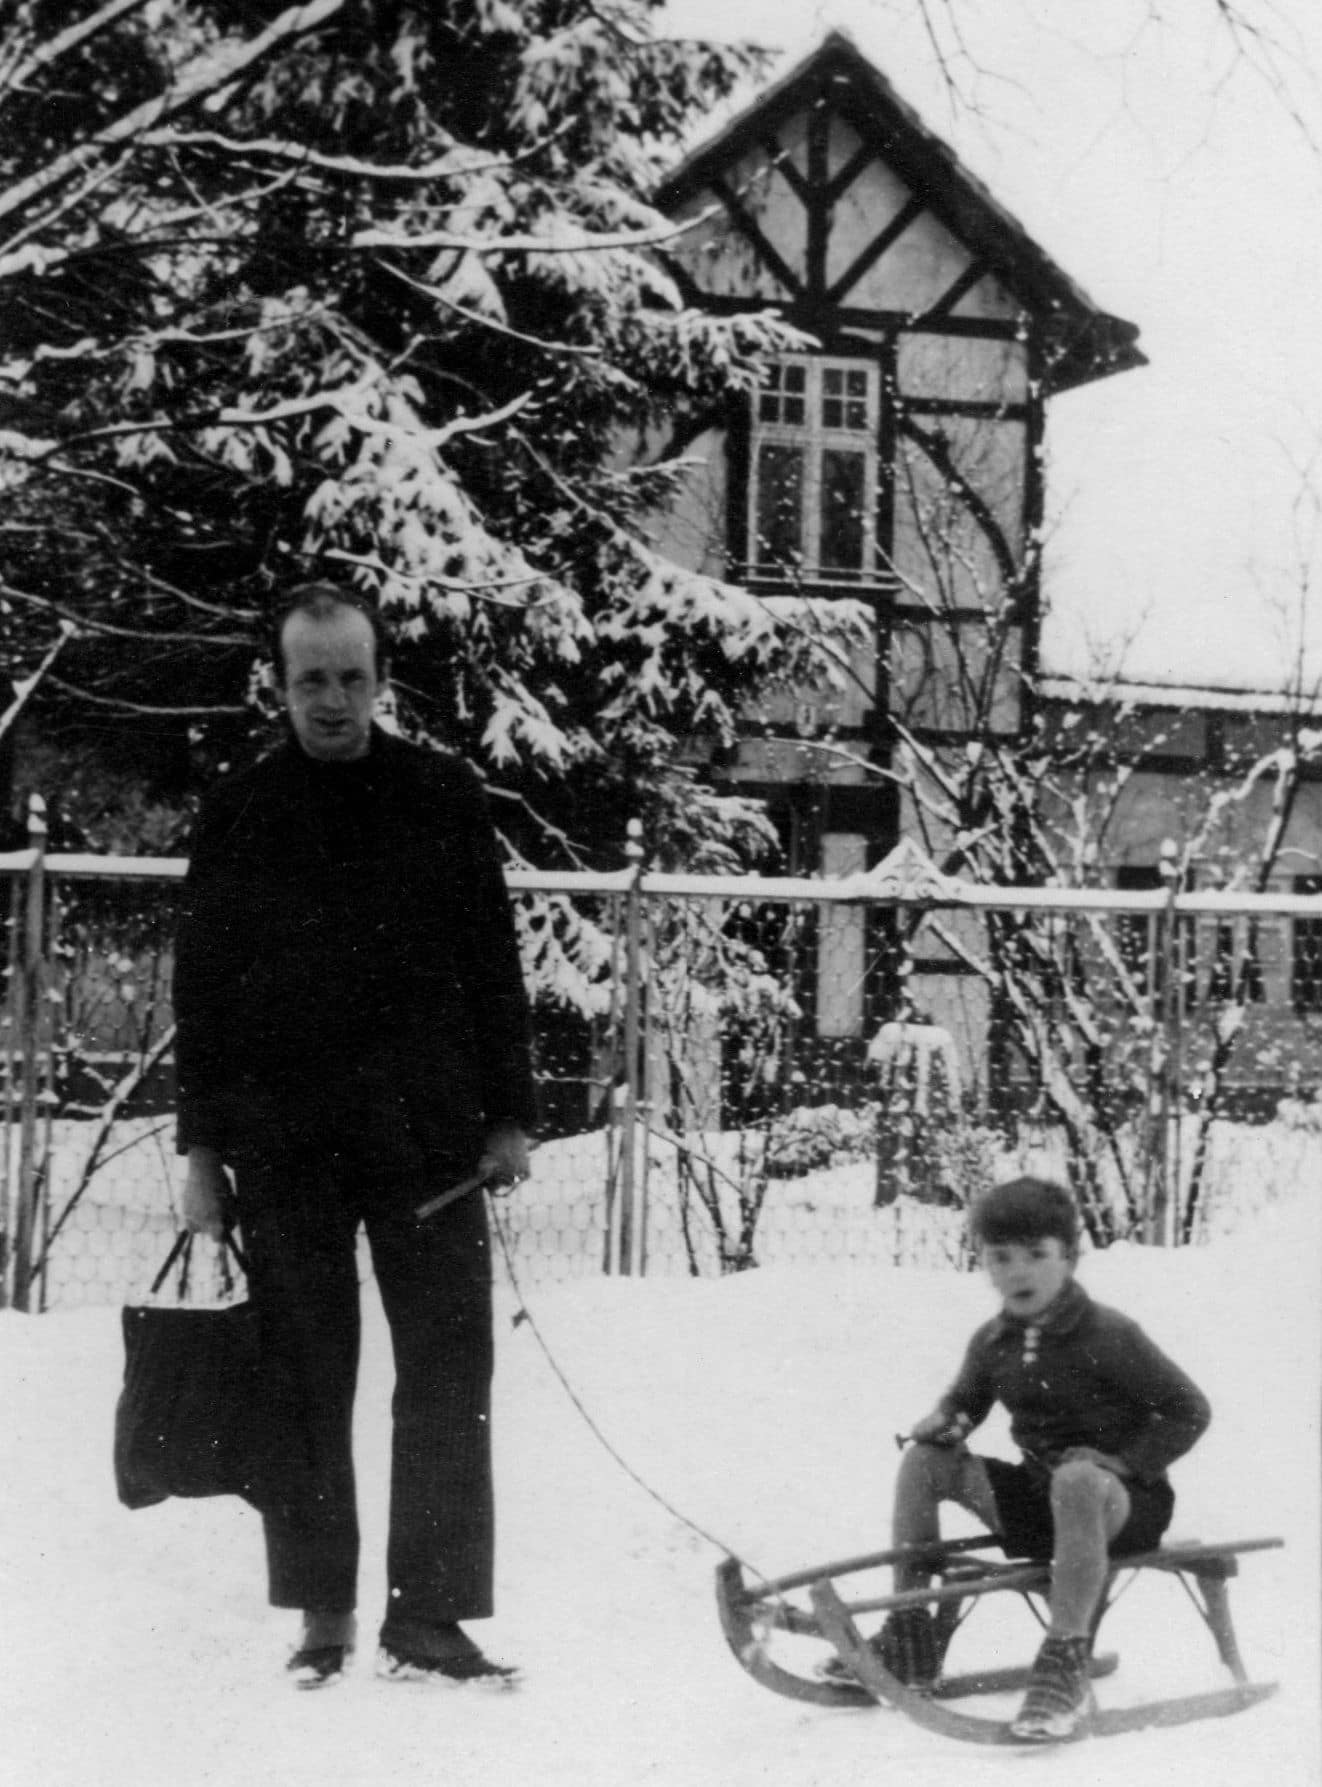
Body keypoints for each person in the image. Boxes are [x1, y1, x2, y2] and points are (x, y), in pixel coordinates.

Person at [173, 581, 537, 1691]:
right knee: (302, 1375)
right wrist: (199, 1150)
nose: (331, 699)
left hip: (427, 1146)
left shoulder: (439, 794)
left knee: (445, 1375)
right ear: (276, 686)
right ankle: (324, 1613)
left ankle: (426, 1616)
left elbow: (491, 959)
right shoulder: (237, 812)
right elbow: (205, 991)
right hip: (286, 1147)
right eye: (308, 679)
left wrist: (510, 1113)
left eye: (349, 675)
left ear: (382, 679)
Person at [875, 1175, 1210, 1742]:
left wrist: (1124, 1464)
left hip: (1123, 1508)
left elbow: (1188, 1409)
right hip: (1042, 1506)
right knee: (924, 1462)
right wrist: (947, 1423)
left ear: (1070, 1258)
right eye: (1000, 1257)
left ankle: (1065, 1660)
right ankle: (910, 1634)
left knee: (1078, 1478)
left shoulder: (1109, 1334)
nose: (1018, 1271)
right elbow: (966, 1403)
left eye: (1036, 1255)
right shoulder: (992, 1342)